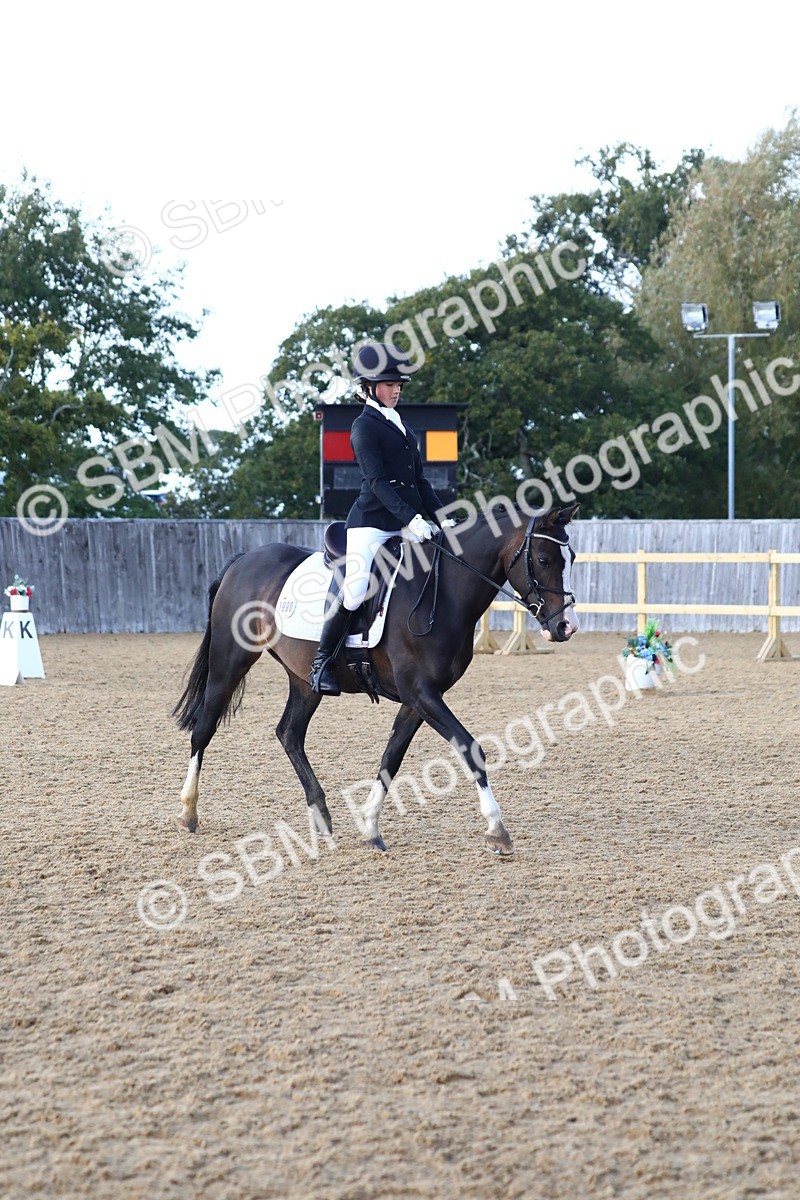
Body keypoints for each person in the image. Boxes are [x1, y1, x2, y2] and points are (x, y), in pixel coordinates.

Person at [309, 342, 456, 695]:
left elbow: (420, 482)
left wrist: (442, 518)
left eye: (399, 385)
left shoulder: (401, 426)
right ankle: (321, 662)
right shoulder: (364, 428)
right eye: (389, 384)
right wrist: (413, 519)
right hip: (371, 524)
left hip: (406, 521)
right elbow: (377, 483)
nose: (396, 390)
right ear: (369, 388)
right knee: (356, 589)